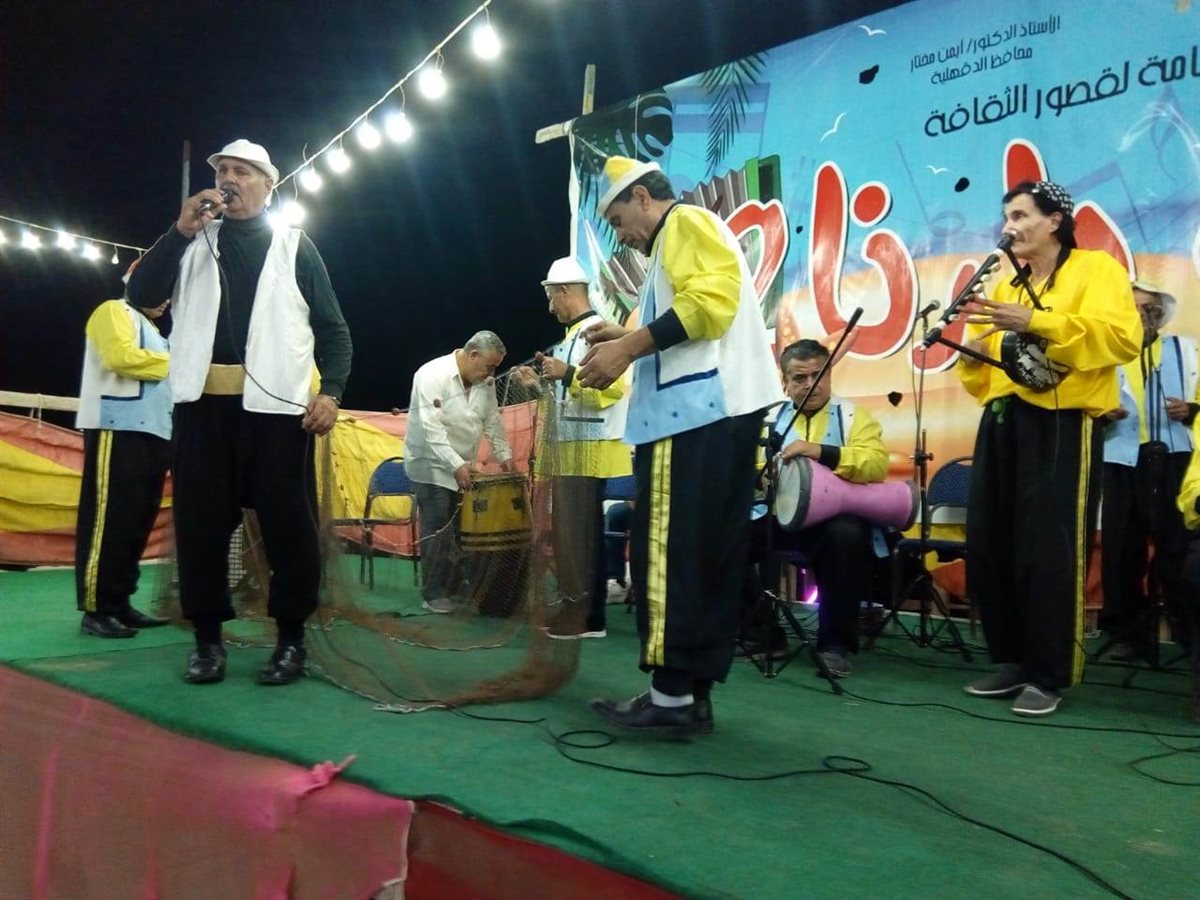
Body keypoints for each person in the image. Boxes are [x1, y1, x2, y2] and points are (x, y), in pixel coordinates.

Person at [127, 138, 352, 686]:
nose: (229, 179)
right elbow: (140, 296)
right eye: (223, 170)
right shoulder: (191, 241)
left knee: (289, 528)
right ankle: (207, 641)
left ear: (268, 185)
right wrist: (179, 231)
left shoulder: (295, 245)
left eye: (242, 171)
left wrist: (331, 393)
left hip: (277, 414)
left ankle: (291, 640)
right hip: (202, 412)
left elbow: (334, 331)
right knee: (200, 529)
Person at [577, 156, 780, 735]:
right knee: (705, 556)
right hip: (720, 417)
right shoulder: (690, 235)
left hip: (691, 418)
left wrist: (628, 347)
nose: (621, 237)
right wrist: (631, 333)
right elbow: (701, 320)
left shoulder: (683, 224)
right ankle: (691, 694)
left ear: (643, 197)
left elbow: (709, 305)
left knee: (666, 553)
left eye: (619, 221)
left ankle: (669, 698)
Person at [956, 180, 1142, 717]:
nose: (1009, 226)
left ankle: (1049, 672)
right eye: (1006, 216)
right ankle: (1012, 660)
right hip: (1002, 418)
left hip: (1062, 421)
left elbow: (1121, 338)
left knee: (1049, 547)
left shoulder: (1096, 269)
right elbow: (990, 373)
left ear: (1055, 220)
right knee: (990, 541)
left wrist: (1037, 320)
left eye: (1020, 215)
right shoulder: (1007, 284)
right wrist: (969, 352)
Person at [743, 339, 889, 677]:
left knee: (846, 536)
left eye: (818, 375)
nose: (811, 384)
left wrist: (821, 451)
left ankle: (834, 646)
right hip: (781, 518)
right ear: (785, 382)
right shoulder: (770, 420)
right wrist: (761, 477)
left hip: (832, 521)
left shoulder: (853, 416)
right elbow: (749, 470)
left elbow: (876, 465)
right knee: (724, 537)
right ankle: (762, 634)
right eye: (800, 378)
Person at [515, 257, 631, 639]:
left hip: (588, 448)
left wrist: (566, 374)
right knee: (570, 535)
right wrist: (540, 384)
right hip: (571, 447)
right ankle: (577, 609)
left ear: (564, 291)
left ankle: (588, 618)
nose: (550, 307)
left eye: (551, 297)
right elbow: (570, 398)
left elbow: (613, 390)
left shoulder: (598, 332)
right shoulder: (571, 338)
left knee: (579, 536)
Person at [1100, 280, 1197, 661]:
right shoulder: (1105, 354)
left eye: (1149, 308)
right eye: (1134, 307)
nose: (1141, 315)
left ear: (1160, 314)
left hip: (1174, 458)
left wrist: (1192, 410)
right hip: (1121, 459)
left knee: (1177, 547)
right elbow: (1084, 403)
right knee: (1122, 549)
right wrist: (1101, 412)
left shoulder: (1187, 350)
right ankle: (1129, 635)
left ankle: (1186, 633)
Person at [74, 268, 173, 638]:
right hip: (116, 426)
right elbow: (121, 358)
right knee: (108, 519)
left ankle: (119, 601)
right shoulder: (113, 311)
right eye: (161, 289)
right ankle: (96, 608)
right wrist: (181, 364)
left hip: (155, 432)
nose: (166, 300)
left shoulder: (157, 333)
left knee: (136, 520)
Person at [404, 331, 514, 613]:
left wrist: (505, 457)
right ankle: (433, 594)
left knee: (461, 529)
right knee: (437, 527)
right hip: (430, 464)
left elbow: (492, 420)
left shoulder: (485, 382)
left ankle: (454, 587)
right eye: (490, 366)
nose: (493, 373)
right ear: (473, 355)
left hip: (462, 465)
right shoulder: (431, 375)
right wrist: (455, 464)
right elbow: (431, 428)